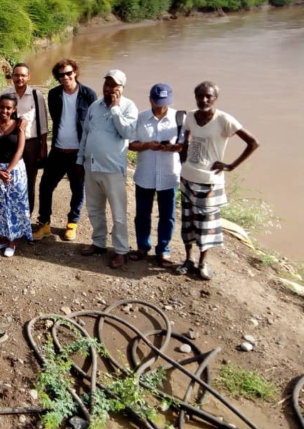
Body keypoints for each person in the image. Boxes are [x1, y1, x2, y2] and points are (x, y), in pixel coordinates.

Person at [176, 81, 259, 280]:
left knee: (206, 226)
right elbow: (186, 137)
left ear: (215, 98)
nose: (204, 100)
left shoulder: (224, 120)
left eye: (208, 96)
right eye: (200, 96)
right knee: (188, 222)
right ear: (195, 96)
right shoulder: (190, 116)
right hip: (188, 178)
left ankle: (203, 262)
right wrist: (183, 157)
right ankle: (188, 259)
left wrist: (230, 166)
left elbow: (253, 143)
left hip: (210, 182)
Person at [77, 70, 138, 269]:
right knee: (94, 209)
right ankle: (99, 243)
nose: (109, 89)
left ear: (122, 88)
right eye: (107, 84)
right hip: (91, 166)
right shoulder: (94, 106)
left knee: (118, 213)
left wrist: (115, 109)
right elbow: (86, 134)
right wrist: (80, 161)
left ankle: (121, 251)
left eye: (114, 85)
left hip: (113, 170)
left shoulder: (129, 107)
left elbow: (128, 132)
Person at [35, 58, 97, 242]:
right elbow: (55, 119)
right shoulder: (54, 94)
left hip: (78, 152)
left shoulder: (88, 94)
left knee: (78, 189)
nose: (66, 77)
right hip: (58, 150)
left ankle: (72, 223)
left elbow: (93, 125)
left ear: (75, 72)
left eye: (69, 73)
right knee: (45, 186)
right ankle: (44, 224)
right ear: (58, 77)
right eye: (61, 75)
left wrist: (88, 153)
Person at [128, 84, 184, 266]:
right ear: (151, 99)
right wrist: (147, 145)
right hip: (145, 174)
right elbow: (130, 144)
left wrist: (172, 147)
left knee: (167, 216)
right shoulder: (141, 117)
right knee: (143, 214)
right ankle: (143, 246)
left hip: (169, 175)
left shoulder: (180, 118)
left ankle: (164, 250)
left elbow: (186, 146)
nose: (162, 107)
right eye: (158, 102)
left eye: (165, 103)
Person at [0, 63, 48, 216]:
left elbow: (43, 122)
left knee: (29, 179)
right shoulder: (6, 93)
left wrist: (43, 146)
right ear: (11, 76)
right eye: (16, 75)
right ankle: (10, 213)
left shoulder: (36, 95)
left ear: (28, 77)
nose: (19, 78)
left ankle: (26, 214)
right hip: (10, 143)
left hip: (30, 143)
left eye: (23, 75)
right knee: (10, 177)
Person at [0, 93, 32, 256]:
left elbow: (20, 150)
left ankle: (12, 242)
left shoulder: (18, 125)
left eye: (8, 108)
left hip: (15, 171)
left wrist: (8, 170)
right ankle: (2, 239)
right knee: (0, 206)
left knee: (14, 206)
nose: (4, 110)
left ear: (14, 109)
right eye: (2, 107)